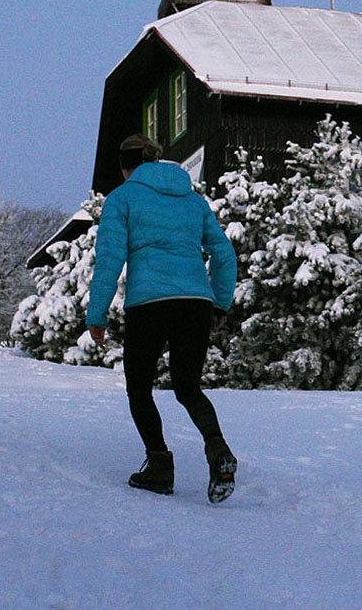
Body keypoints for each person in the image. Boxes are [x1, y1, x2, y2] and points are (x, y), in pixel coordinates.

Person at [86, 134, 239, 503]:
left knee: (139, 388)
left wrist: (97, 314)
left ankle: (159, 466)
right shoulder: (193, 200)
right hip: (195, 303)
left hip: (148, 304)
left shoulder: (122, 198)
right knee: (188, 387)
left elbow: (110, 259)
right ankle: (218, 449)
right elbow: (224, 253)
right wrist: (219, 304)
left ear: (125, 166)